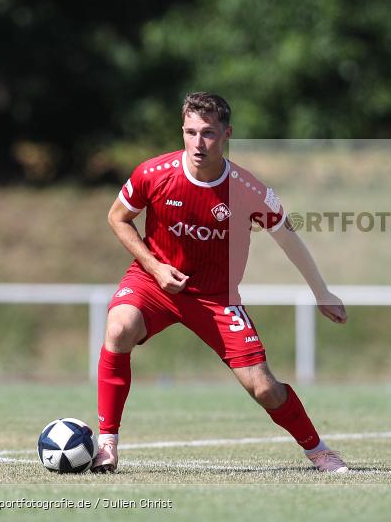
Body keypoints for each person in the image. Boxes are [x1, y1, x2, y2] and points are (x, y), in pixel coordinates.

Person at [92, 92, 348, 473]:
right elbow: (117, 217)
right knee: (118, 328)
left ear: (226, 134)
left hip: (217, 297)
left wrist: (321, 291)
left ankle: (319, 451)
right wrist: (155, 266)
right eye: (190, 132)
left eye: (208, 133)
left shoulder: (248, 190)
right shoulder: (153, 174)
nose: (198, 143)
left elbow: (289, 239)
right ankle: (107, 446)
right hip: (153, 283)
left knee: (264, 388)